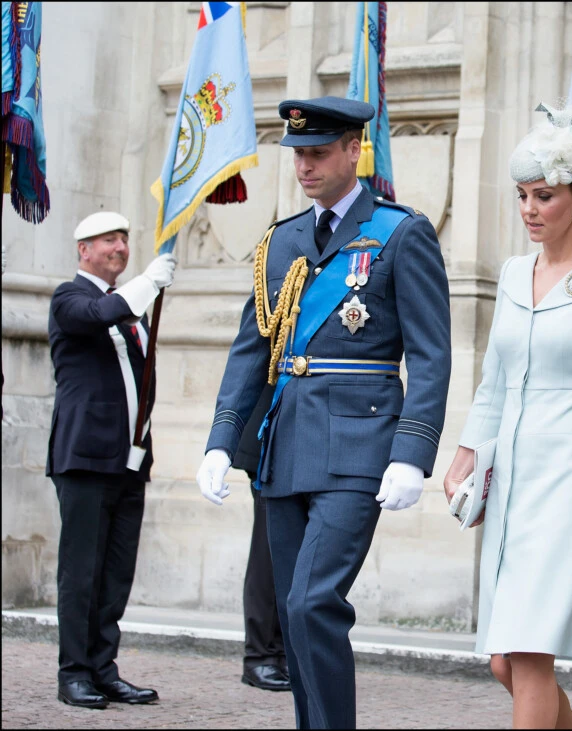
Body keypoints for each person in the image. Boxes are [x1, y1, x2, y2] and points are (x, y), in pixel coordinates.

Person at [195, 96, 451, 730]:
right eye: (297, 155)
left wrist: (412, 452)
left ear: (352, 151)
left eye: (316, 153)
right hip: (285, 446)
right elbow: (252, 348)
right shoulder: (280, 241)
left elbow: (431, 355)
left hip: (360, 447)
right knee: (291, 610)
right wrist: (222, 438)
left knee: (313, 601)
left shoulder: (400, 233)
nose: (304, 167)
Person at [443, 103, 572, 730]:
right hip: (512, 477)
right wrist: (466, 454)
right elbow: (494, 381)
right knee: (503, 661)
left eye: (544, 196)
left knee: (530, 650)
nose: (530, 209)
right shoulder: (512, 274)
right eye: (522, 196)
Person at [47, 211, 176, 708]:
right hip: (84, 457)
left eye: (124, 239)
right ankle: (74, 672)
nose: (120, 247)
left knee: (115, 573)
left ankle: (103, 669)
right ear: (84, 250)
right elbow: (98, 315)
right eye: (108, 240)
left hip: (129, 460)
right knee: (81, 572)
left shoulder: (129, 310)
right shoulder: (70, 298)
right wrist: (148, 283)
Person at [232, 384, 290, 692]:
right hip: (273, 436)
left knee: (293, 557)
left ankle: (282, 653)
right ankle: (261, 655)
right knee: (268, 555)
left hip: (302, 438)